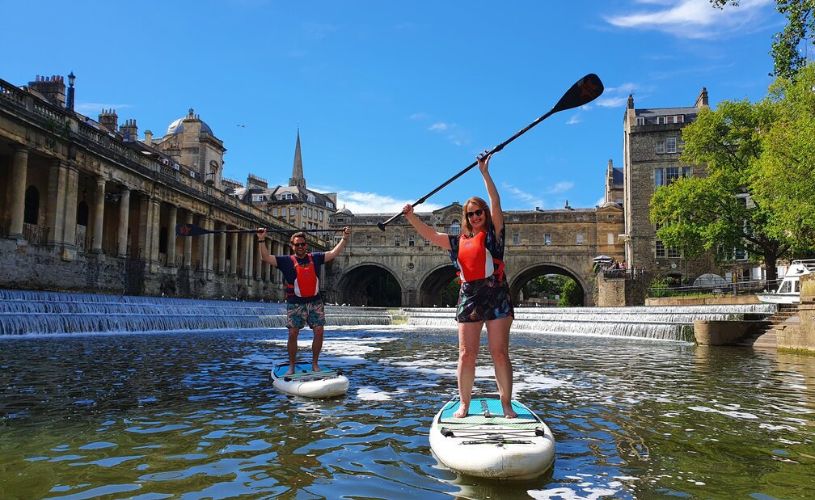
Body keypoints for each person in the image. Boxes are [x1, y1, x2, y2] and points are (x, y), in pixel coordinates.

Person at [402, 151, 516, 418]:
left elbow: (497, 202)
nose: (475, 216)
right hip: (469, 296)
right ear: (465, 218)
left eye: (479, 212)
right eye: (471, 214)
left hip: (496, 294)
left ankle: (506, 403)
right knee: (466, 354)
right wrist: (411, 217)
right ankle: (464, 404)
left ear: (484, 214)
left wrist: (485, 173)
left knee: (499, 352)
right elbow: (430, 234)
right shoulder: (456, 242)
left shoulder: (494, 237)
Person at [256, 226, 350, 375]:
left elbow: (333, 253)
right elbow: (266, 257)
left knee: (319, 331)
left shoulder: (316, 258)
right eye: (297, 244)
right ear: (292, 246)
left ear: (306, 245)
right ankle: (292, 366)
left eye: (302, 244)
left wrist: (344, 238)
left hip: (315, 302)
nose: (300, 247)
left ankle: (315, 364)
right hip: (295, 302)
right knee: (293, 333)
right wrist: (261, 239)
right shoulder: (286, 261)